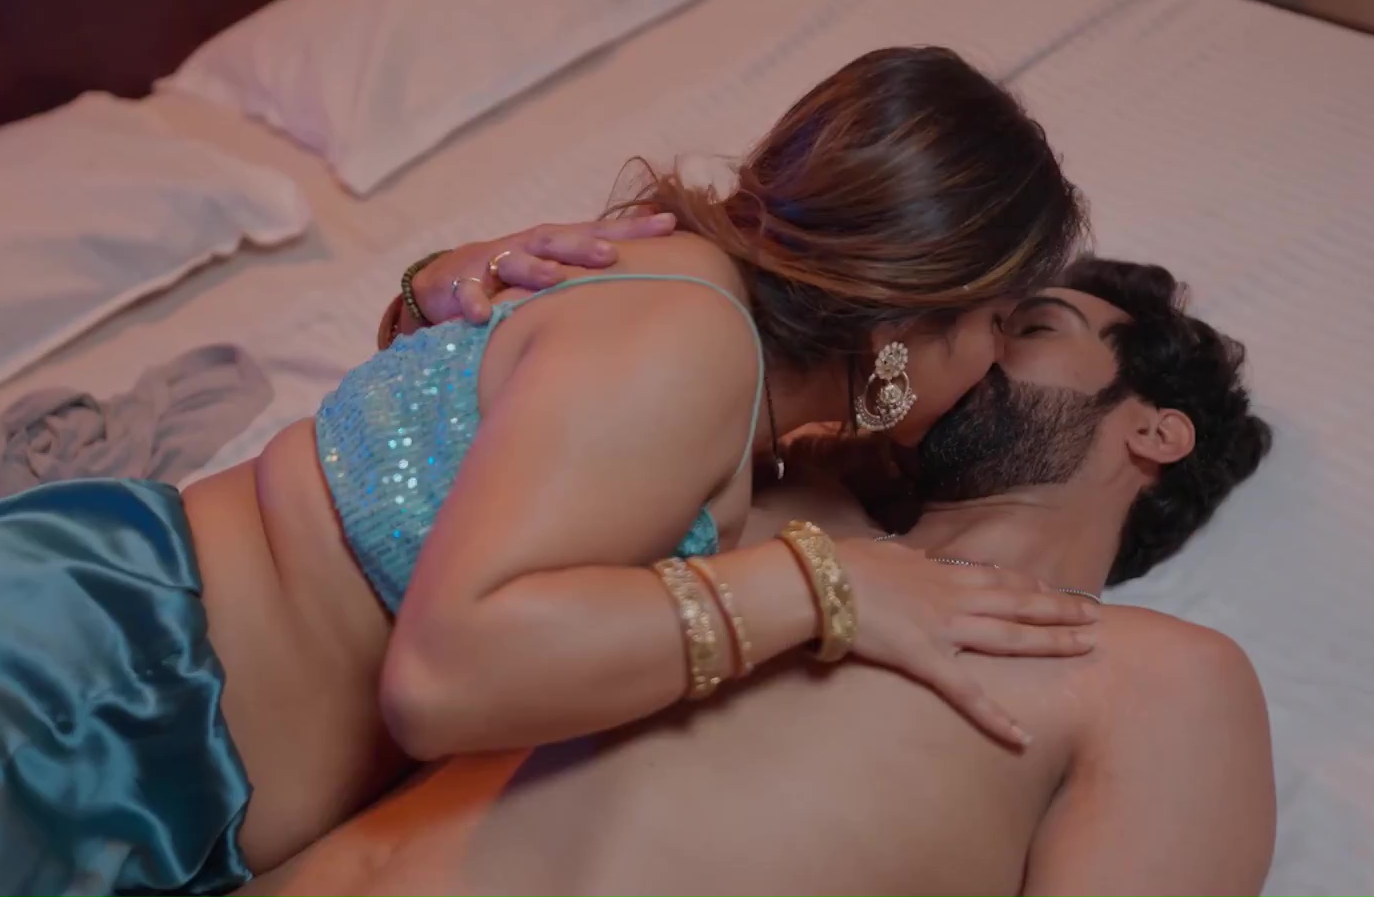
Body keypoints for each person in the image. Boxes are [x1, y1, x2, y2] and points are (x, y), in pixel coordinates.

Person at [0, 47, 1095, 895]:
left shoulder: (727, 368)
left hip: (130, 760)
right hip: (45, 715)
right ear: (922, 312)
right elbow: (446, 675)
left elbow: (448, 455)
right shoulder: (691, 341)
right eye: (1006, 320)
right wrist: (817, 585)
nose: (995, 360)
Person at [239, 257, 1278, 897]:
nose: (972, 347)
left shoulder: (1153, 678)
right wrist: (449, 275)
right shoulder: (754, 494)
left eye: (1031, 326)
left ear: (1157, 430)